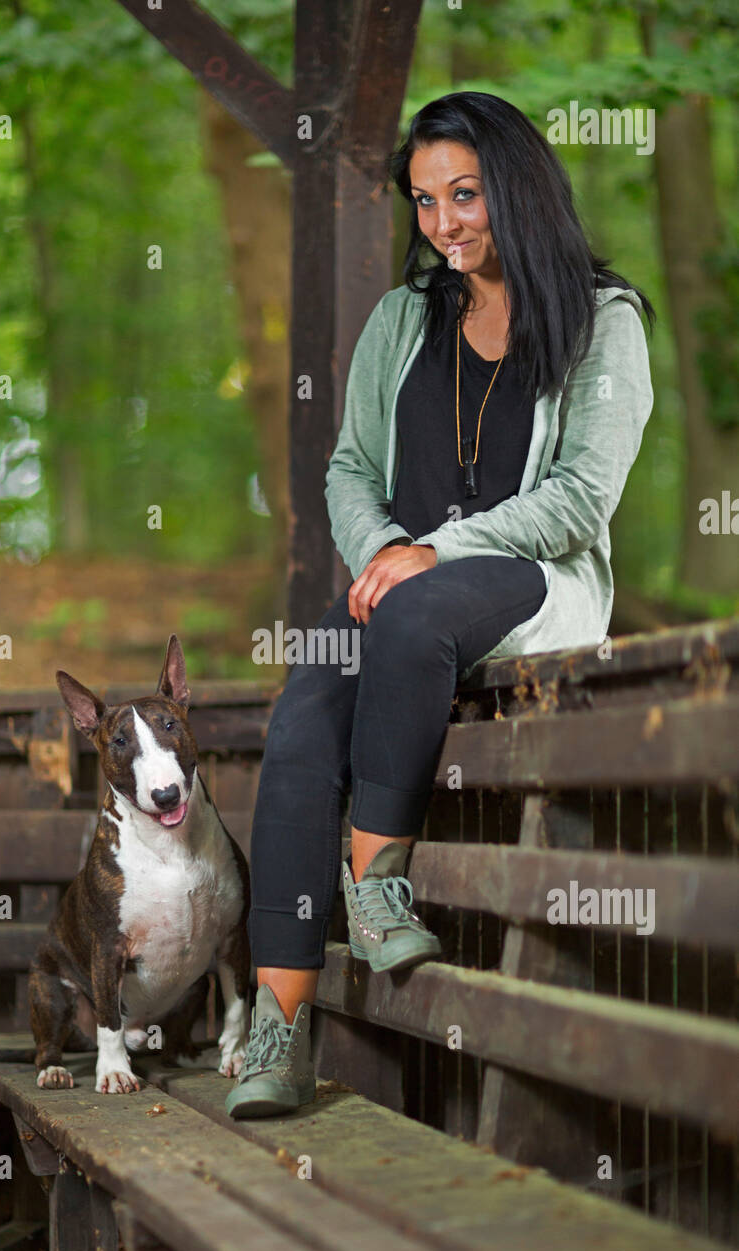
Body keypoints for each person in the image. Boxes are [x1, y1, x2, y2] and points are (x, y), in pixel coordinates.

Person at [225, 91, 655, 1118]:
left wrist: (433, 551)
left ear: (515, 186)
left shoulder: (602, 319)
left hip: (526, 580)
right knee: (296, 731)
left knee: (415, 615)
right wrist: (383, 549)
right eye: (423, 202)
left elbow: (579, 500)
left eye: (463, 194)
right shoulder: (403, 320)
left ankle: (375, 890)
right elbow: (346, 471)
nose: (443, 223)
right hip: (402, 587)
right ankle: (276, 1030)